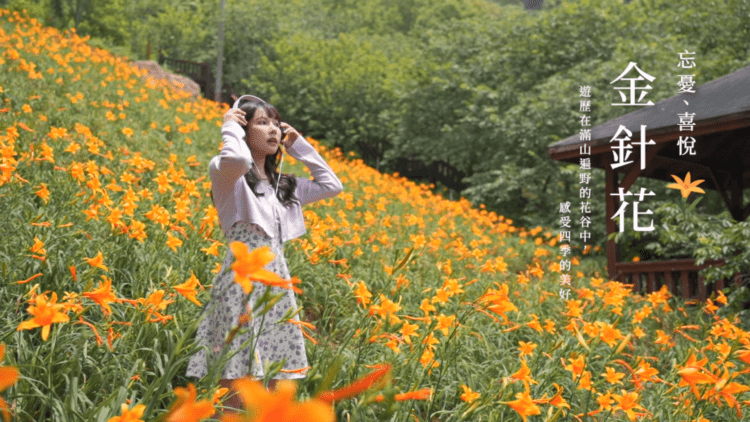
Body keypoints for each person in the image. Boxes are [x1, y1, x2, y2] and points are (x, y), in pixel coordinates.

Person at [186, 95, 343, 416]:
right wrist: (229, 128)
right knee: (235, 378)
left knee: (271, 377)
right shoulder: (227, 176)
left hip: (275, 286)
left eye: (276, 123)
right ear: (244, 129)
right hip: (239, 287)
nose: (273, 129)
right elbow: (238, 161)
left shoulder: (284, 186)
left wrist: (300, 147)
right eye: (262, 122)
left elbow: (332, 185)